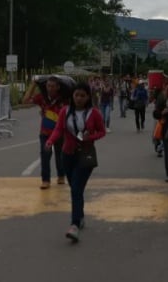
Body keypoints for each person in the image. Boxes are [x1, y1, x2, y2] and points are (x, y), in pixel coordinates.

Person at [45, 82, 106, 242]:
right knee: (75, 188)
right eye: (76, 95)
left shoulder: (94, 113)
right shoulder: (65, 111)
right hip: (67, 154)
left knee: (76, 189)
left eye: (83, 96)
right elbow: (58, 129)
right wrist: (51, 141)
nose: (79, 98)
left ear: (88, 97)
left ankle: (74, 225)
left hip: (85, 155)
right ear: (72, 96)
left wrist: (90, 137)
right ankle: (80, 215)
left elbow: (102, 132)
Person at [23, 76, 68, 189]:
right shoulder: (42, 98)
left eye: (53, 86)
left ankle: (61, 175)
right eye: (48, 86)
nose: (50, 88)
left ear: (58, 87)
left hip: (60, 132)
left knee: (60, 155)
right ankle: (45, 180)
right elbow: (25, 101)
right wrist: (33, 84)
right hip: (45, 132)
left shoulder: (64, 99)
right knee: (45, 155)